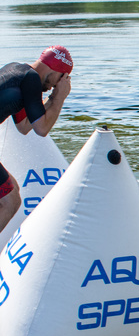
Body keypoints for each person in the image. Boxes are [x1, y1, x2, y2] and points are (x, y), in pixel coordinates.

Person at [0, 46, 73, 234]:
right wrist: (59, 98)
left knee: (12, 192)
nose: (55, 86)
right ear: (55, 69)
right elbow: (42, 129)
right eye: (59, 80)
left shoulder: (17, 71)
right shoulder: (31, 79)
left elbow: (24, 126)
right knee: (9, 200)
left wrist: (52, 99)